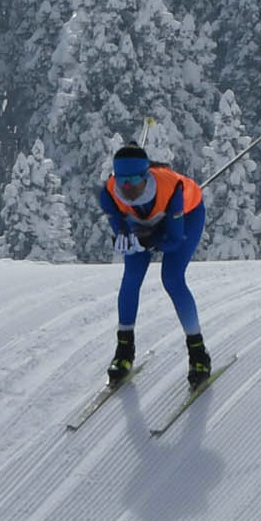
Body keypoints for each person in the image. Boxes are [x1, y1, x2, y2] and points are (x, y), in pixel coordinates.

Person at [95, 141, 210, 387]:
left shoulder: (172, 190)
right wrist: (125, 236)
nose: (127, 188)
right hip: (145, 224)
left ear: (146, 175)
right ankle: (124, 350)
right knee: (132, 276)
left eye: (134, 180)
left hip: (187, 215)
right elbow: (120, 227)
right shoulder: (108, 193)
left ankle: (198, 352)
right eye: (121, 180)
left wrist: (152, 239)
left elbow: (175, 240)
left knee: (172, 278)